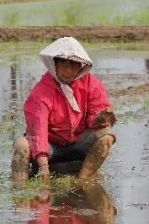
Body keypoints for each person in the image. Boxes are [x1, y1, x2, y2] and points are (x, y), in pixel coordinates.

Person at [11, 36, 116, 183]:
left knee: (107, 135)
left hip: (78, 143)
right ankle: (19, 189)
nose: (69, 70)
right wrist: (43, 165)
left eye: (74, 65)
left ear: (81, 65)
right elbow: (38, 130)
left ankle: (82, 179)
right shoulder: (41, 91)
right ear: (54, 64)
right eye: (64, 64)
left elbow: (94, 119)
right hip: (51, 146)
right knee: (22, 144)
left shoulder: (91, 84)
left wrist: (103, 118)